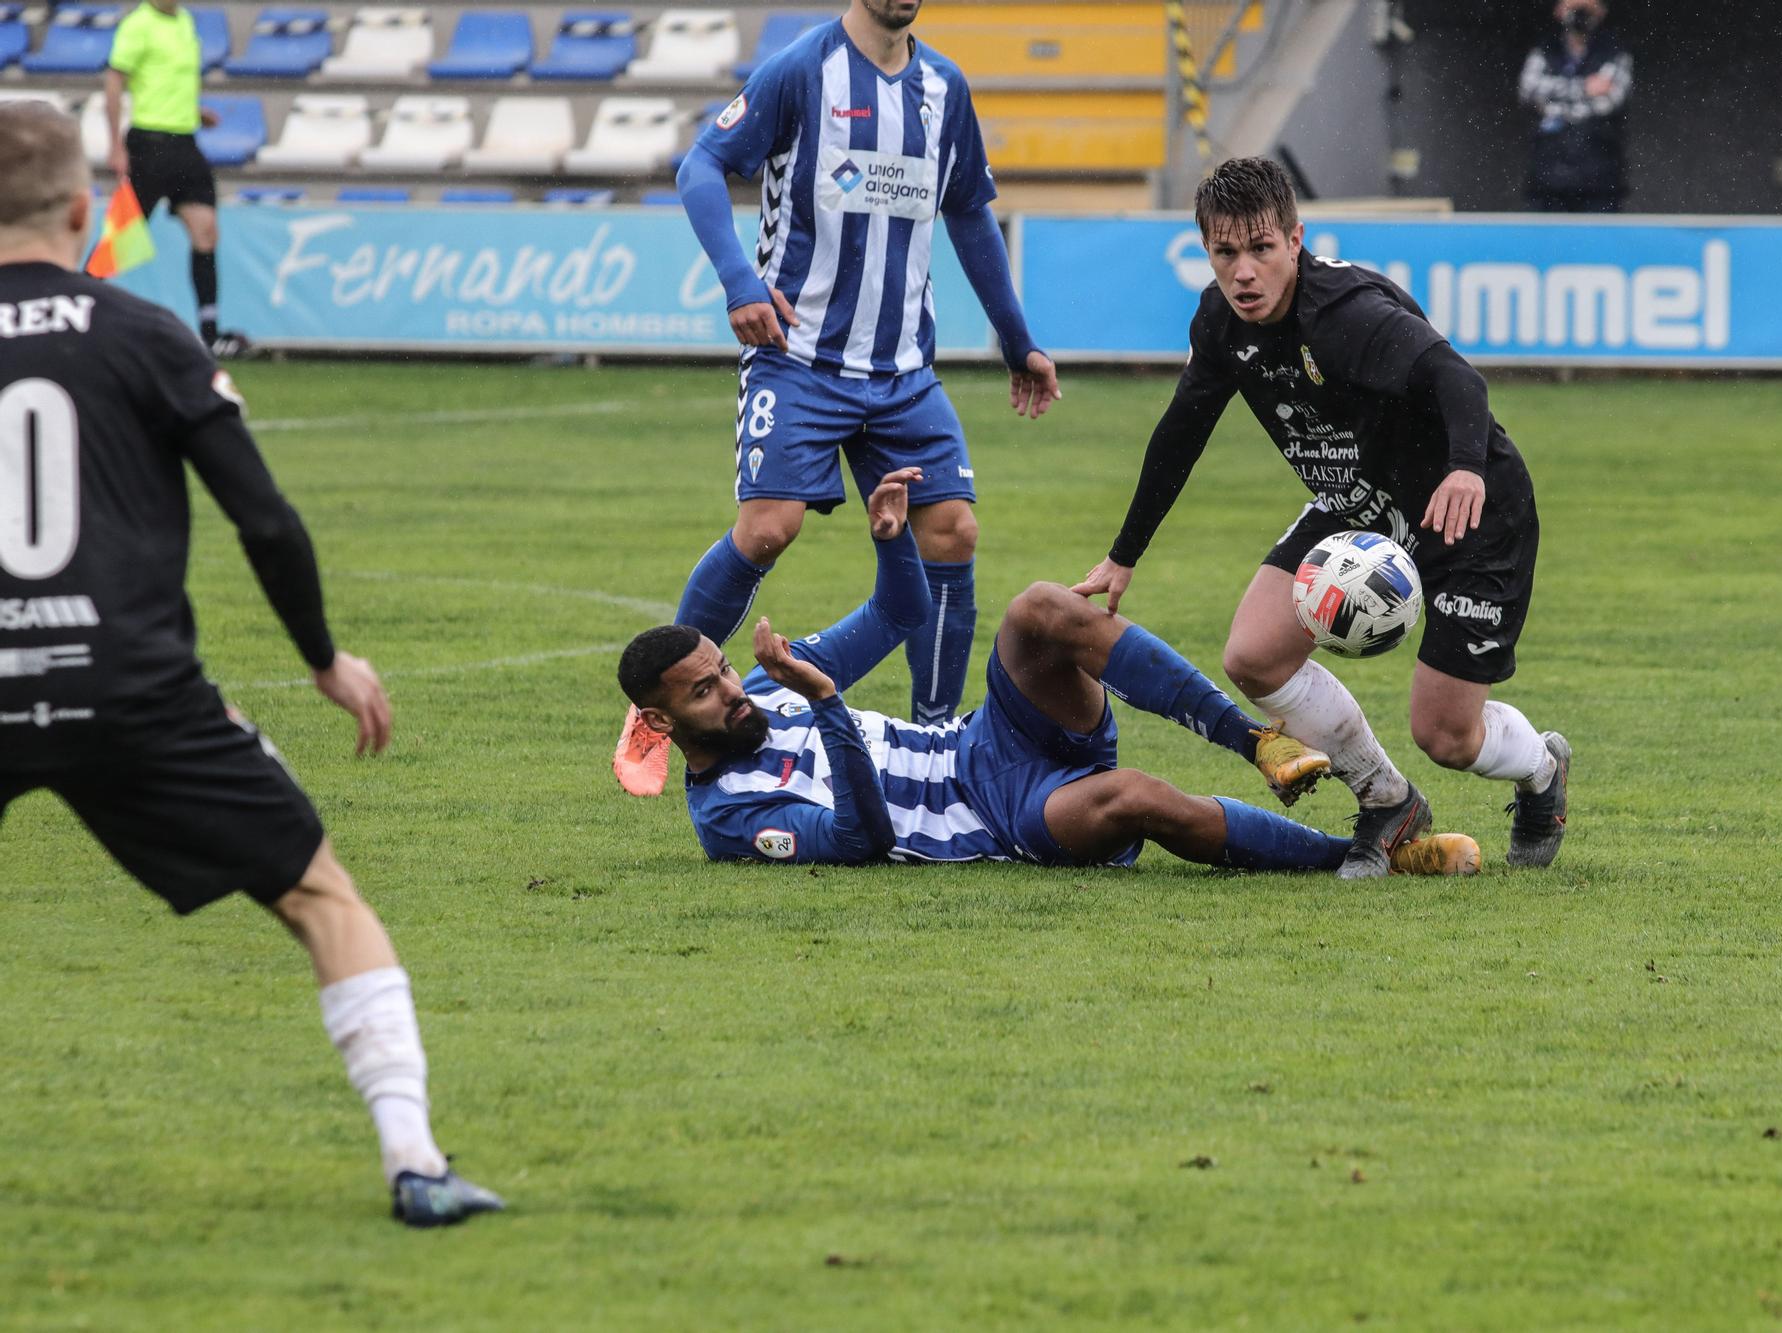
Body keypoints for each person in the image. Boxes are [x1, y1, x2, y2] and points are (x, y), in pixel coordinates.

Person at [0, 104, 498, 1227]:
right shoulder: (142, 330)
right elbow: (264, 520)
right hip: (129, 686)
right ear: (85, 212)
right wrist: (321, 658)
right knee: (320, 894)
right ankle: (414, 1161)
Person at [1072, 156, 1570, 879]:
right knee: (1253, 656)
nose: (1243, 272)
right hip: (1357, 503)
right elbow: (1182, 428)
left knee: (1447, 733)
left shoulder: (1346, 317)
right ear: (1206, 250)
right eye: (1225, 252)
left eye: (1261, 249)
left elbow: (1456, 377)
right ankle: (1386, 798)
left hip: (1467, 510)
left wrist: (1465, 466)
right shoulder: (1221, 323)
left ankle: (1541, 772)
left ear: (1295, 240)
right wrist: (1124, 554)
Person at [615, 0, 1063, 796]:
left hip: (901, 371)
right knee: (767, 528)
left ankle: (940, 742)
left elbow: (967, 212)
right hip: (800, 357)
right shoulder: (800, 70)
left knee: (953, 531)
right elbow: (699, 167)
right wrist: (740, 281)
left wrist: (1015, 336)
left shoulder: (943, 88)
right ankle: (657, 710)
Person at [618, 465, 1479, 875]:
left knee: (1037, 607)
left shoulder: (768, 684)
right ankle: (1358, 857)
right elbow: (860, 842)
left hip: (987, 739)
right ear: (659, 724)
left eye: (723, 670)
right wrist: (831, 705)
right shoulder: (728, 820)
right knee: (1133, 794)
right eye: (704, 692)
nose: (732, 690)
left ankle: (1254, 738)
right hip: (999, 817)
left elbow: (898, 616)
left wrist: (890, 547)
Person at [103, 0, 247, 356]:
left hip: (185, 141)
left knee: (206, 229)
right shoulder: (139, 25)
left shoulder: (184, 22)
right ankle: (79, 314)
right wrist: (115, 145)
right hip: (149, 142)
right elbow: (115, 81)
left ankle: (210, 334)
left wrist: (194, 111)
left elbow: (165, 81)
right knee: (120, 242)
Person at [1518, 0, 1633, 214]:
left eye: (1587, 10)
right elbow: (1529, 89)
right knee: (1547, 243)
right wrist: (1584, 88)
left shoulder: (1614, 52)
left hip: (1599, 179)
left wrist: (1554, 107)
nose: (1580, 16)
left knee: (1598, 243)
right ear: (1559, 11)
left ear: (1600, 13)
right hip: (1548, 177)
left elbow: (1611, 101)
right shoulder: (1545, 50)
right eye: (1573, 8)